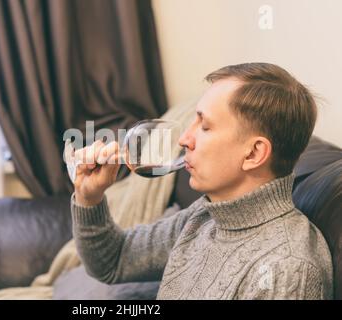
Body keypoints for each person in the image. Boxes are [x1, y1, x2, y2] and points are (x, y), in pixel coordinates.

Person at [71, 63, 333, 299]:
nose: (184, 139)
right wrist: (89, 198)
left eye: (205, 126)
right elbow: (115, 261)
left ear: (253, 153)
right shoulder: (206, 216)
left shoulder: (287, 271)